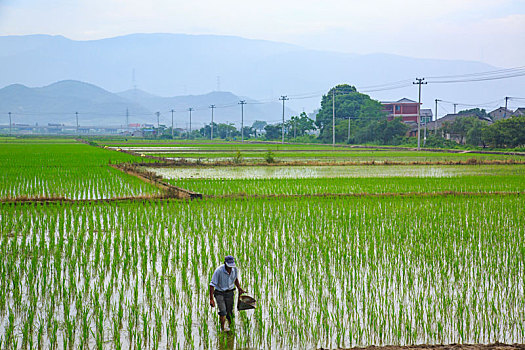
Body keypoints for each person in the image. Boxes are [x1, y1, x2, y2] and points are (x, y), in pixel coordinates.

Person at [209, 255, 245, 332]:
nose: (230, 268)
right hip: (219, 293)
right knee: (223, 311)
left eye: (231, 266)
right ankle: (222, 329)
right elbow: (212, 285)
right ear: (225, 263)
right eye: (229, 266)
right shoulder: (218, 271)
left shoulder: (234, 270)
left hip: (230, 292)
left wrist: (239, 288)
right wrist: (211, 299)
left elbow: (235, 279)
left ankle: (231, 328)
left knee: (230, 312)